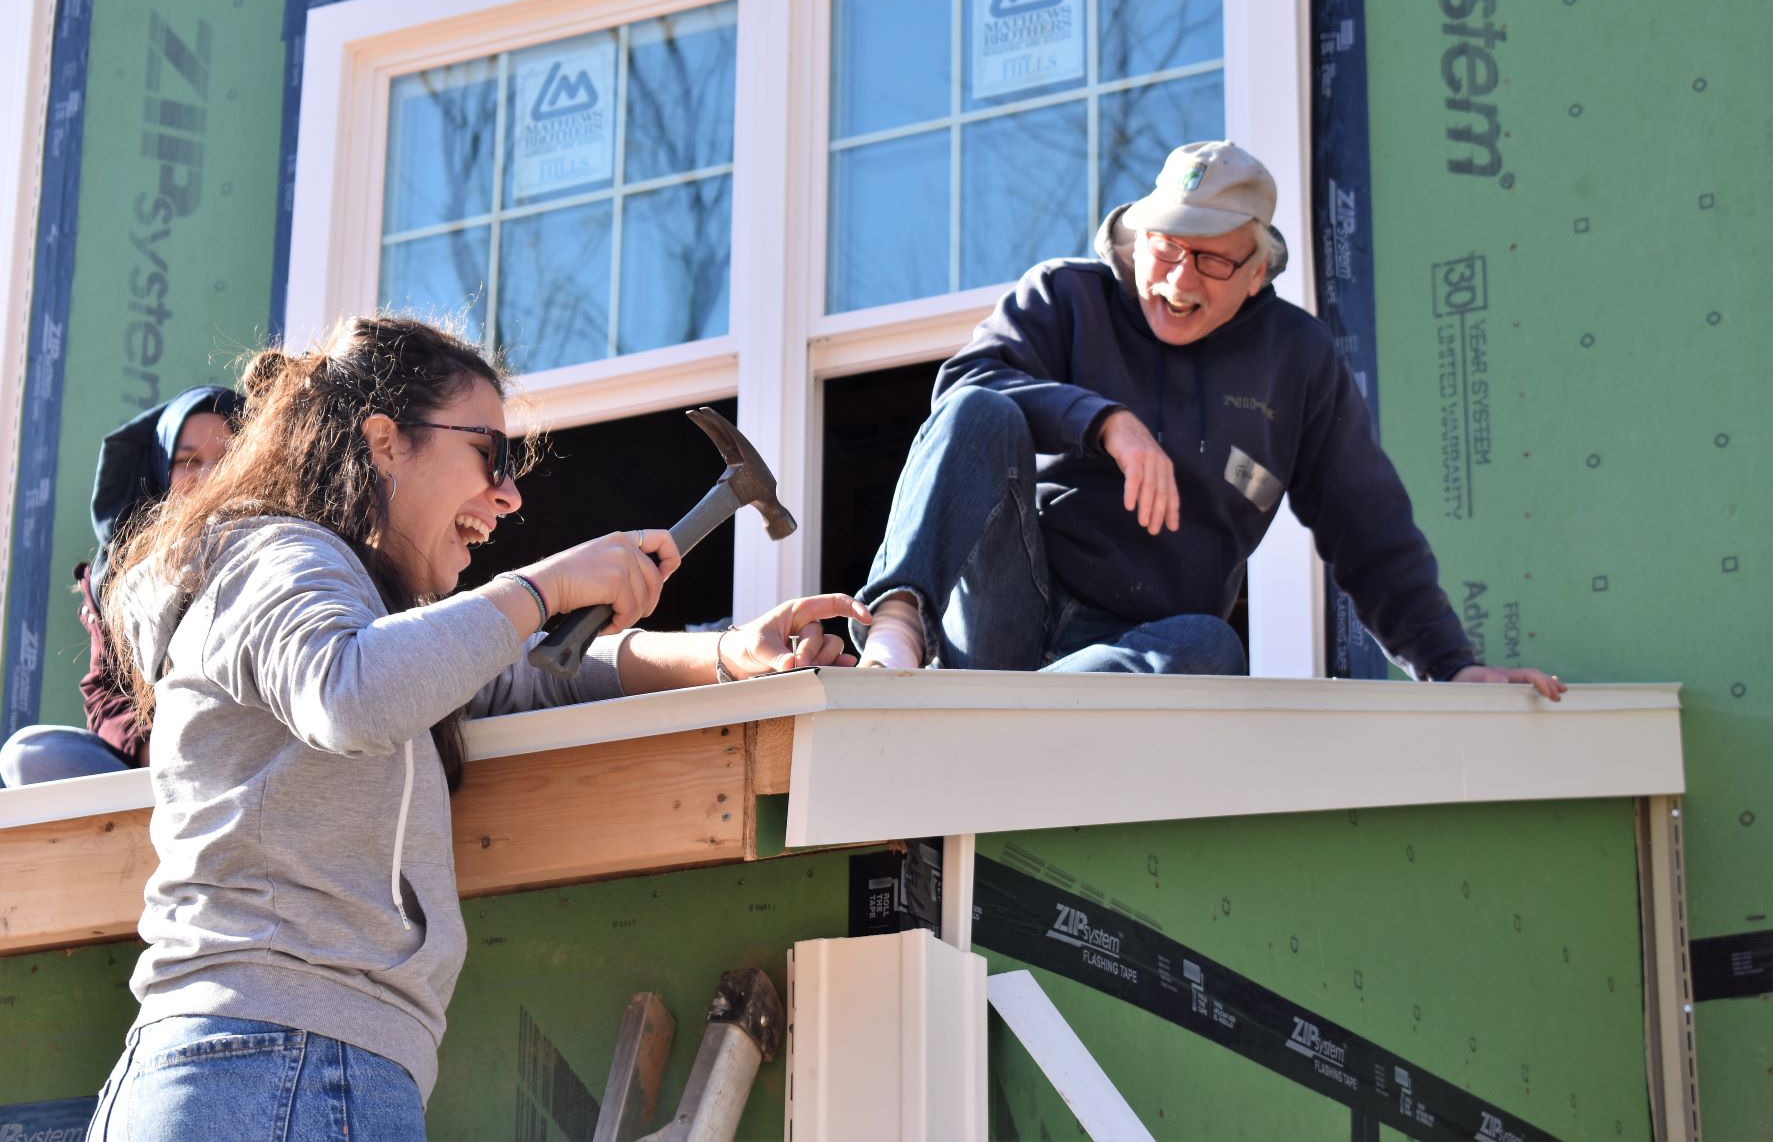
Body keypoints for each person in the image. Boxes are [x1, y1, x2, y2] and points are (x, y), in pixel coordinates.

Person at [85, 315, 868, 1139]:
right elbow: (351, 692)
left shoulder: (353, 610)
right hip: (283, 1059)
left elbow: (519, 670)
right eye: (488, 455)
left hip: (283, 1065)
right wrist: (545, 585)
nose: (509, 494)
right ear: (384, 442)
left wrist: (725, 654)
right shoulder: (272, 555)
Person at [850, 140, 1562, 700]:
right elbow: (962, 396)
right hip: (1005, 603)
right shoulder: (1065, 296)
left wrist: (1448, 667)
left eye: (1213, 262)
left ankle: (1012, 717)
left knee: (1212, 649)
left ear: (1258, 270)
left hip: (1133, 648)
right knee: (980, 407)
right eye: (1166, 247)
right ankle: (896, 624)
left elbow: (1369, 530)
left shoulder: (1298, 361)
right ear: (1136, 239)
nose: (1179, 280)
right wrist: (1105, 423)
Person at [0, 384, 243, 787]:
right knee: (31, 756)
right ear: (159, 466)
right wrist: (158, 751)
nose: (207, 475)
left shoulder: (285, 547)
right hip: (161, 773)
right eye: (187, 460)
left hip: (253, 770)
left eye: (226, 458)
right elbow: (105, 694)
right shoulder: (121, 571)